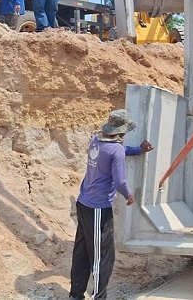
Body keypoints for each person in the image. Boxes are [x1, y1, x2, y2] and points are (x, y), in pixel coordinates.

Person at [69, 109, 154, 300]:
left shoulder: (96, 141)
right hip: (98, 209)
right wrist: (128, 195)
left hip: (83, 203)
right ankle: (99, 297)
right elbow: (120, 182)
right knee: (102, 257)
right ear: (121, 133)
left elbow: (118, 152)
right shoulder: (115, 150)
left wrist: (138, 150)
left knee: (82, 252)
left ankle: (75, 295)